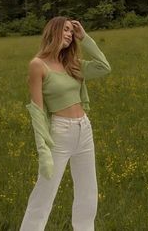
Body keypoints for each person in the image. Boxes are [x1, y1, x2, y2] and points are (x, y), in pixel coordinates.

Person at [20, 16, 111, 231]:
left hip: (84, 129)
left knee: (88, 192)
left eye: (72, 31)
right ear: (54, 31)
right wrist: (43, 150)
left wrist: (85, 37)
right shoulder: (38, 65)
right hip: (60, 132)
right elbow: (38, 111)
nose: (70, 34)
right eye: (66, 30)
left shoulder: (72, 64)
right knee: (44, 193)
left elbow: (104, 67)